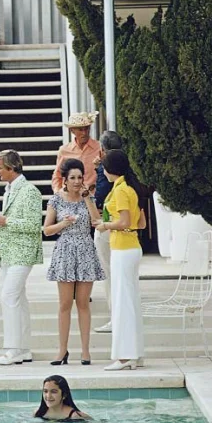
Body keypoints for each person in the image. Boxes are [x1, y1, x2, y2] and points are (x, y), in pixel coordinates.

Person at [43, 158, 104, 365]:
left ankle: (85, 351)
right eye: (73, 178)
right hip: (65, 251)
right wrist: (63, 223)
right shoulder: (56, 200)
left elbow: (96, 222)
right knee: (65, 304)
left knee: (83, 303)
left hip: (85, 250)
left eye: (80, 177)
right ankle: (62, 351)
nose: (77, 181)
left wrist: (88, 198)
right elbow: (47, 230)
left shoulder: (88, 197)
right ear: (65, 180)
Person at [0, 149, 43, 366]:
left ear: (11, 168)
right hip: (9, 253)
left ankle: (12, 350)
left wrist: (4, 221)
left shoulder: (30, 192)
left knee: (8, 297)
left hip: (23, 253)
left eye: (0, 168)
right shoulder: (9, 189)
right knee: (18, 300)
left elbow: (32, 225)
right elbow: (10, 221)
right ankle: (24, 349)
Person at [95, 149, 145, 371]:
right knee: (128, 301)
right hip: (128, 247)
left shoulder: (122, 191)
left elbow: (124, 221)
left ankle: (125, 357)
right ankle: (134, 354)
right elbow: (140, 223)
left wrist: (106, 225)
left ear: (109, 169)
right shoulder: (126, 188)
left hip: (124, 249)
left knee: (122, 302)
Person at [93, 130, 124, 333]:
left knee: (111, 276)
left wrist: (98, 169)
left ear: (102, 150)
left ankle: (116, 317)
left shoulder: (108, 172)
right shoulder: (126, 166)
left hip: (109, 227)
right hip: (125, 233)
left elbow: (100, 197)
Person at [52, 111, 100, 194]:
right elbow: (57, 175)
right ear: (72, 131)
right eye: (80, 129)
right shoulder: (64, 150)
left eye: (86, 128)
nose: (84, 133)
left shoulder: (99, 147)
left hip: (93, 199)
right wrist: (58, 195)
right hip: (70, 199)